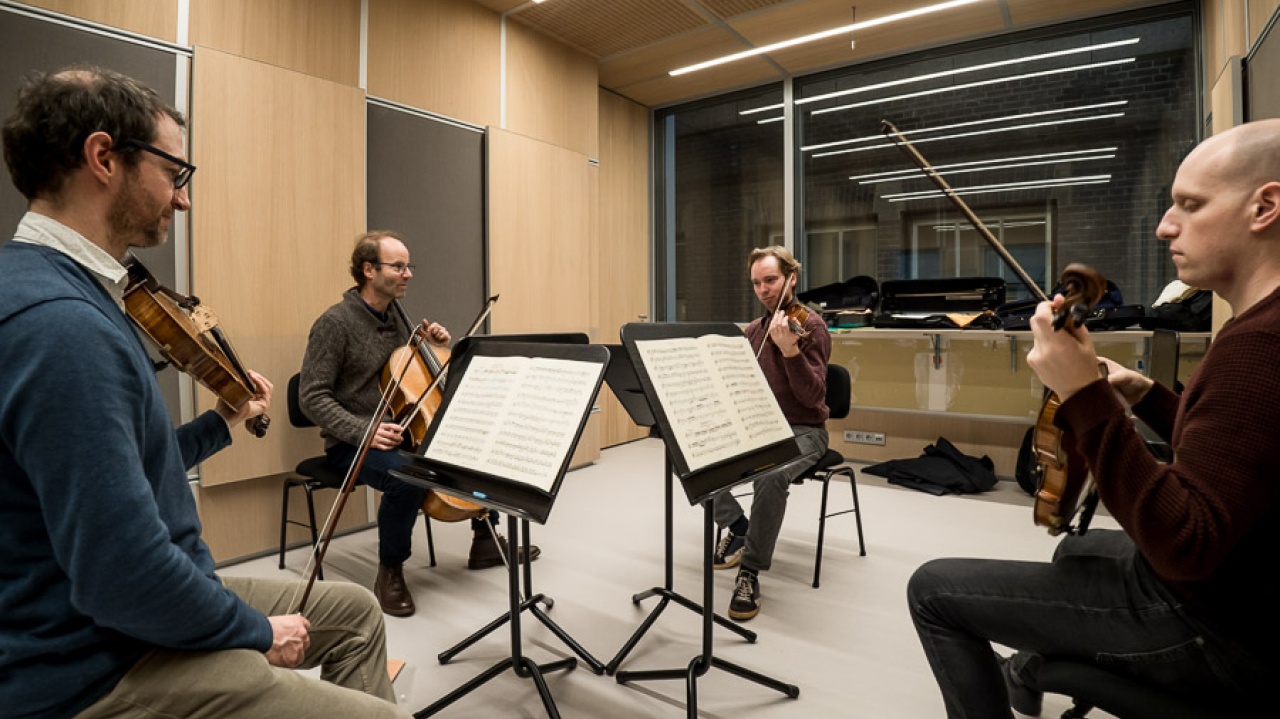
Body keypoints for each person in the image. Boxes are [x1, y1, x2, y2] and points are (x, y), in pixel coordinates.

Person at [0, 67, 406, 719]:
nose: (182, 199)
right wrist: (253, 632)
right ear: (104, 158)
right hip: (97, 664)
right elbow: (124, 578)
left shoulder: (66, 292)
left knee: (352, 609)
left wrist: (223, 417)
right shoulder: (62, 327)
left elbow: (130, 465)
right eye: (174, 173)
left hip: (125, 607)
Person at [906, 119, 1280, 717]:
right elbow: (1236, 459)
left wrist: (1084, 392)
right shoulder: (1259, 329)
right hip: (1245, 593)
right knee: (1074, 553)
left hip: (1219, 630)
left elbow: (1186, 541)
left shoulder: (1259, 345)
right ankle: (1031, 671)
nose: (1165, 226)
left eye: (1190, 204)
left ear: (1265, 206)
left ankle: (1028, 670)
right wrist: (1148, 395)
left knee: (931, 589)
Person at [299, 230, 539, 618]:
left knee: (473, 446)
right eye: (398, 266)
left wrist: (433, 343)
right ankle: (390, 570)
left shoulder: (396, 314)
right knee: (404, 478)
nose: (408, 273)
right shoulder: (334, 323)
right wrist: (364, 431)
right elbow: (311, 397)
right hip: (353, 442)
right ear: (368, 270)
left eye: (409, 266)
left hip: (404, 430)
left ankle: (485, 539)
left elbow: (409, 370)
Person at [711, 245, 831, 621]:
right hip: (759, 425)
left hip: (803, 430)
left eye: (771, 280)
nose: (764, 289)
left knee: (770, 474)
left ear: (791, 279)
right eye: (757, 283)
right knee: (686, 455)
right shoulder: (754, 331)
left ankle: (750, 569)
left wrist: (791, 353)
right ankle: (738, 524)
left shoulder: (810, 326)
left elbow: (813, 398)